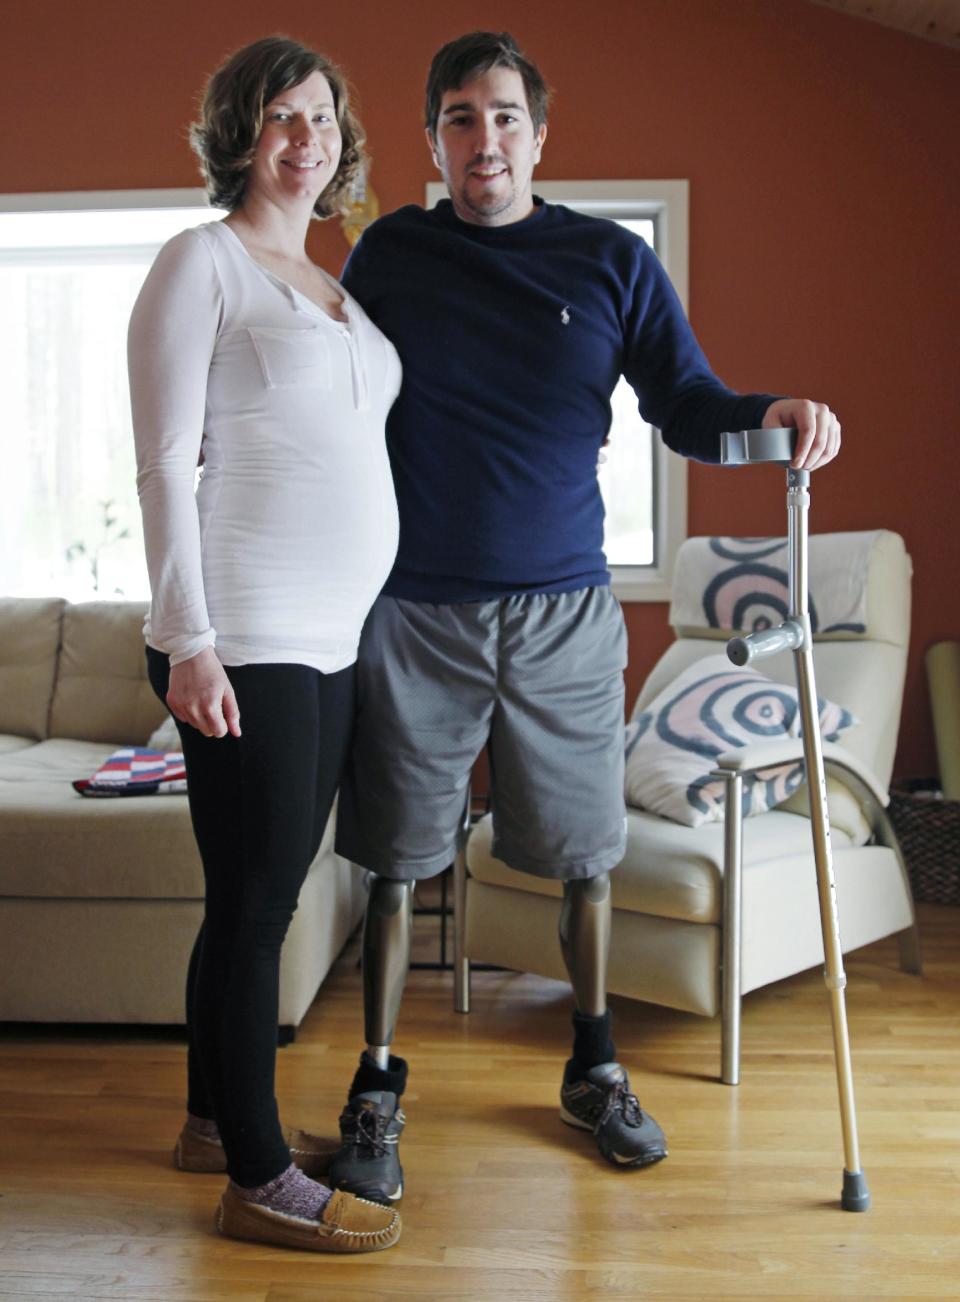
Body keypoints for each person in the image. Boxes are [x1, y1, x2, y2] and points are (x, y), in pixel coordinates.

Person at [326, 30, 842, 1204]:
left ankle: (593, 1066)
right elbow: (331, 404)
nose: (484, 138)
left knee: (585, 859)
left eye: (504, 116)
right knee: (400, 864)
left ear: (540, 136)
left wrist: (777, 414)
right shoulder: (391, 256)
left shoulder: (609, 262)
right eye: (461, 117)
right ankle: (376, 1082)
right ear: (434, 142)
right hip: (416, 615)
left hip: (564, 616)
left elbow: (687, 405)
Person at [128, 35, 402, 1253]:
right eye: (286, 116)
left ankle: (208, 1119)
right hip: (246, 635)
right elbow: (160, 466)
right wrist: (190, 642)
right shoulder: (204, 264)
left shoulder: (336, 281)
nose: (311, 137)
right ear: (240, 131)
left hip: (330, 641)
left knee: (253, 897)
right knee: (255, 909)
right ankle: (255, 1175)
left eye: (326, 116)